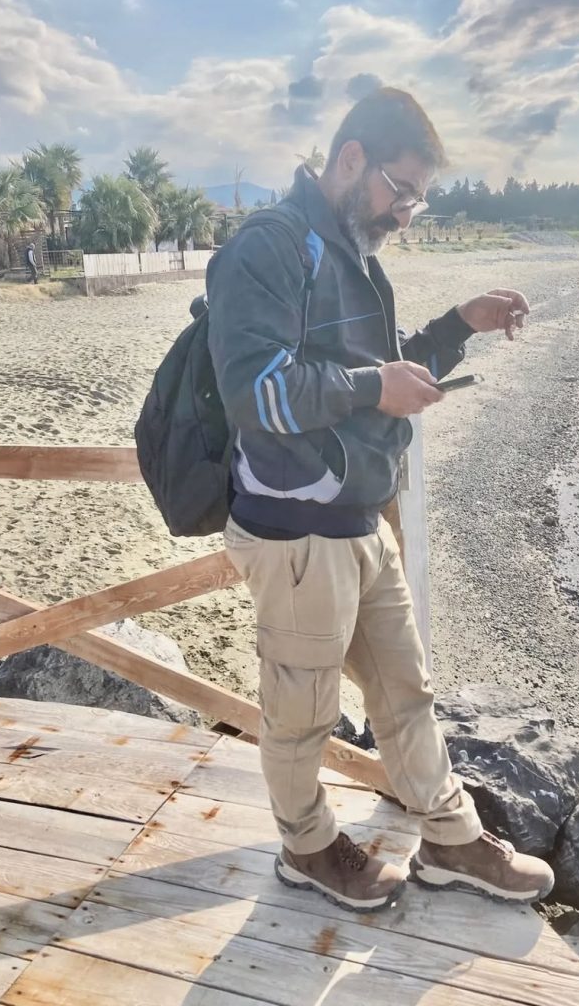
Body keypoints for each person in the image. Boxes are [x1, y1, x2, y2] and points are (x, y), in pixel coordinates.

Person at [206, 87, 554, 914]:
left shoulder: (352, 249)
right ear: (351, 158)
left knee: (407, 693)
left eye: (416, 198)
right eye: (401, 190)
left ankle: (450, 838)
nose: (405, 212)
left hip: (360, 523)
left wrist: (459, 323)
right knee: (302, 713)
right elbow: (255, 391)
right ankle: (306, 848)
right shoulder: (271, 244)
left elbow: (384, 366)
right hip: (295, 529)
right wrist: (373, 386)